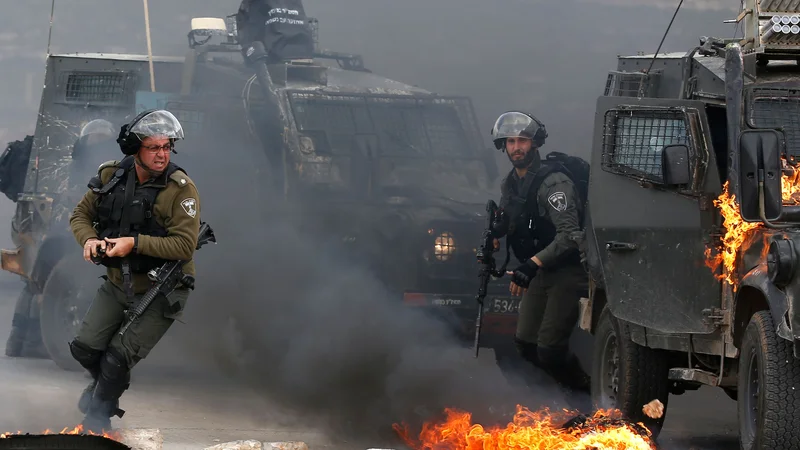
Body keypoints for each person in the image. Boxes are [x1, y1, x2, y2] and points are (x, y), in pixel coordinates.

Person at [67, 109, 201, 432]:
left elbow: (184, 246)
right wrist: (88, 241)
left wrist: (135, 243)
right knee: (85, 348)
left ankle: (96, 425)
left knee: (116, 360)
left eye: (167, 147)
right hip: (118, 281)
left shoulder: (180, 189)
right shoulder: (111, 176)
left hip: (164, 288)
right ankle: (104, 394)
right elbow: (79, 215)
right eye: (154, 147)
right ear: (135, 149)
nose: (162, 154)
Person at [488, 111, 590, 399]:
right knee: (526, 344)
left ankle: (588, 398)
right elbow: (514, 219)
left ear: (535, 144)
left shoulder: (554, 183)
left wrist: (531, 265)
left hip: (568, 271)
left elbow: (570, 236)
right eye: (510, 141)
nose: (516, 147)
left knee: (550, 347)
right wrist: (496, 234)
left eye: (522, 141)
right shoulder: (512, 182)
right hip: (539, 270)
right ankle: (560, 398)